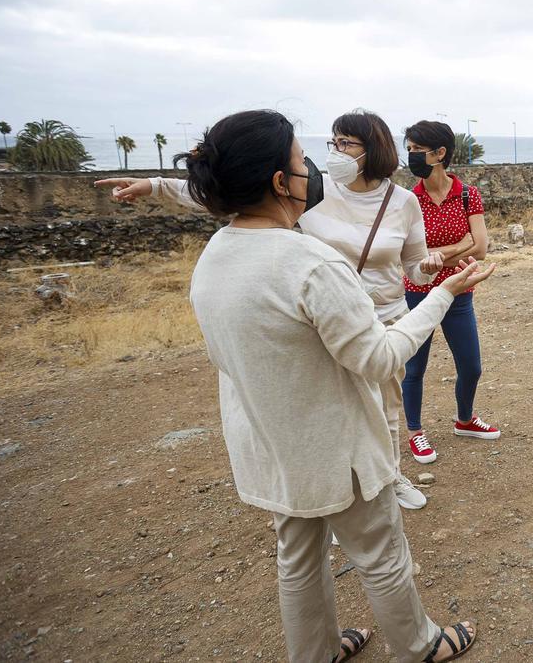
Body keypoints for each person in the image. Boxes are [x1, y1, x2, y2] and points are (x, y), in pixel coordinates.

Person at [96, 109, 488, 662]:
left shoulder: (216, 257)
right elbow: (377, 359)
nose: (318, 169)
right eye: (305, 161)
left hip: (270, 444)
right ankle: (420, 646)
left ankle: (316, 652)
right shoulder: (311, 264)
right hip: (336, 446)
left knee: (298, 557)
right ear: (281, 183)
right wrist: (447, 293)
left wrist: (429, 270)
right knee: (381, 554)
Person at [98, 108, 442, 511]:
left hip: (384, 318)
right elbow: (236, 195)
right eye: (333, 141)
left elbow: (414, 270)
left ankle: (389, 478)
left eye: (346, 143)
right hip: (316, 321)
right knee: (325, 414)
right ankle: (331, 496)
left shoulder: (403, 203)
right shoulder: (313, 189)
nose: (335, 151)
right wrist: (155, 187)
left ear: (375, 149)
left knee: (386, 410)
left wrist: (430, 268)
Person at [398, 120, 498, 464]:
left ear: (440, 153)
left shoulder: (468, 194)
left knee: (471, 366)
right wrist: (460, 246)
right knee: (414, 369)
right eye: (408, 149)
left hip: (459, 290)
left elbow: (481, 248)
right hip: (418, 292)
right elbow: (412, 258)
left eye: (416, 150)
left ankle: (465, 419)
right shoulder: (409, 201)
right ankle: (415, 432)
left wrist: (438, 256)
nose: (410, 156)